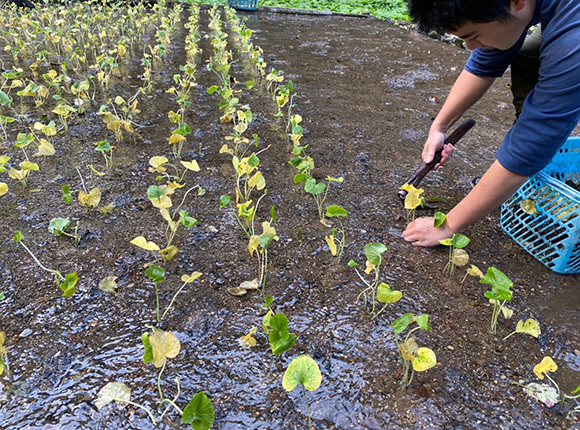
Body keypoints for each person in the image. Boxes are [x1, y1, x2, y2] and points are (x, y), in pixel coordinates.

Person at [401, 0, 580, 247]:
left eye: (472, 36)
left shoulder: (573, 40)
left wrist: (448, 225)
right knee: (529, 53)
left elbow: (531, 143)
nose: (471, 46)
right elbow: (485, 63)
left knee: (538, 137)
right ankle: (520, 172)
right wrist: (439, 127)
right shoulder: (511, 8)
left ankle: (526, 166)